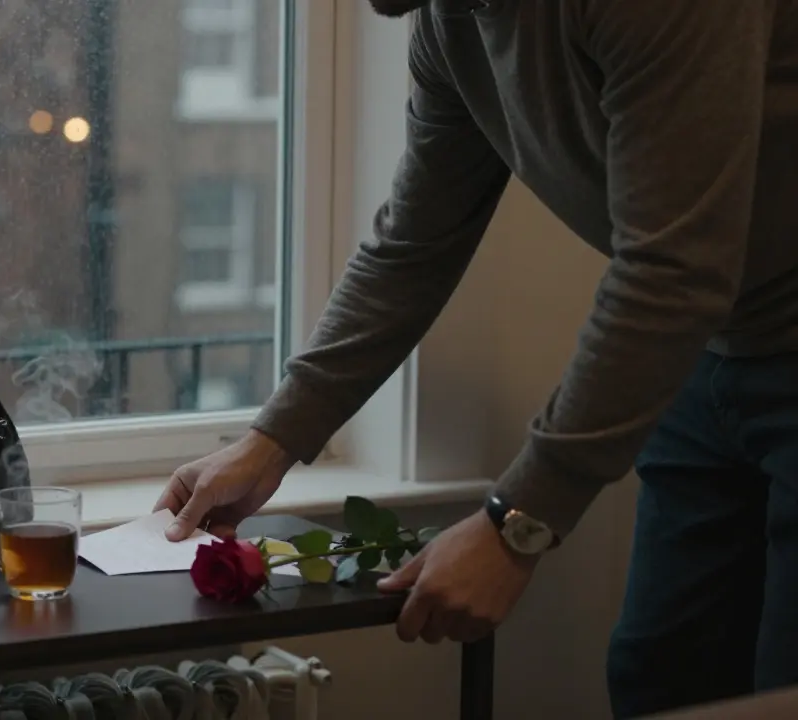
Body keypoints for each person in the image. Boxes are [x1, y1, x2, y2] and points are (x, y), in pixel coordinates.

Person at [153, 1, 798, 717]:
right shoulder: (452, 24)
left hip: (722, 322)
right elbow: (414, 244)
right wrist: (272, 439)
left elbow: (673, 272)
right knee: (660, 680)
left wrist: (514, 523)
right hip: (704, 357)